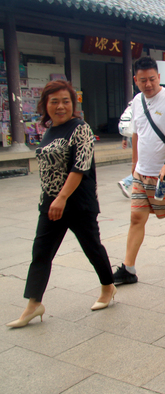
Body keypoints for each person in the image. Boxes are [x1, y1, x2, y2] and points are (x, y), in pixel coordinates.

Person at [7, 81, 116, 328]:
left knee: (92, 247)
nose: (60, 106)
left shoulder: (81, 129)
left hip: (77, 203)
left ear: (73, 104)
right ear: (45, 104)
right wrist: (51, 199)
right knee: (41, 253)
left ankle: (108, 287)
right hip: (50, 203)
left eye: (66, 101)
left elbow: (81, 166)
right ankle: (34, 304)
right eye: (54, 101)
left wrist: (62, 198)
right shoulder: (48, 131)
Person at [112, 56, 165, 285]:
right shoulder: (137, 102)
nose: (148, 84)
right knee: (136, 218)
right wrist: (135, 163)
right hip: (141, 173)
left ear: (159, 77)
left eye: (152, 79)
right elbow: (137, 133)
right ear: (135, 80)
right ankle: (128, 268)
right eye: (143, 80)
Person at [117, 101, 134, 198]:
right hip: (139, 135)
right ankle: (126, 182)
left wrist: (124, 138)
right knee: (144, 164)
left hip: (131, 134)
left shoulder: (131, 103)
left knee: (142, 163)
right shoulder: (142, 101)